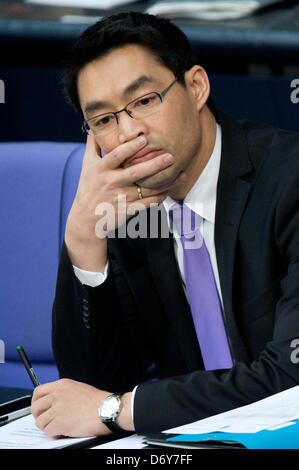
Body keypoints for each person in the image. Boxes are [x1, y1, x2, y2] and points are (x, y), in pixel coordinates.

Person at [31, 11, 299, 439]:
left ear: (196, 87)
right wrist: (83, 239)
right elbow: (90, 388)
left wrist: (114, 409)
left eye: (144, 101)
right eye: (103, 120)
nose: (128, 132)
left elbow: (289, 377)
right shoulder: (127, 209)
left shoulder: (289, 183)